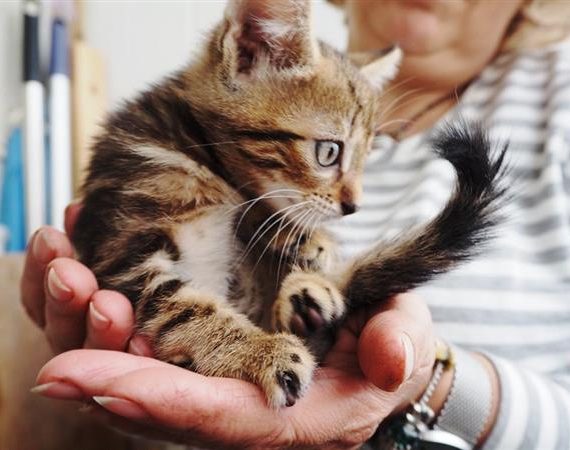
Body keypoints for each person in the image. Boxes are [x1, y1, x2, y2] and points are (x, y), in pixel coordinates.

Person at [22, 0, 570, 448]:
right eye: (329, 154)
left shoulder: (557, 96)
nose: (353, 200)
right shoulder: (203, 150)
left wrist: (430, 386)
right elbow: (137, 283)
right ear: (249, 51)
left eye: (364, 157)